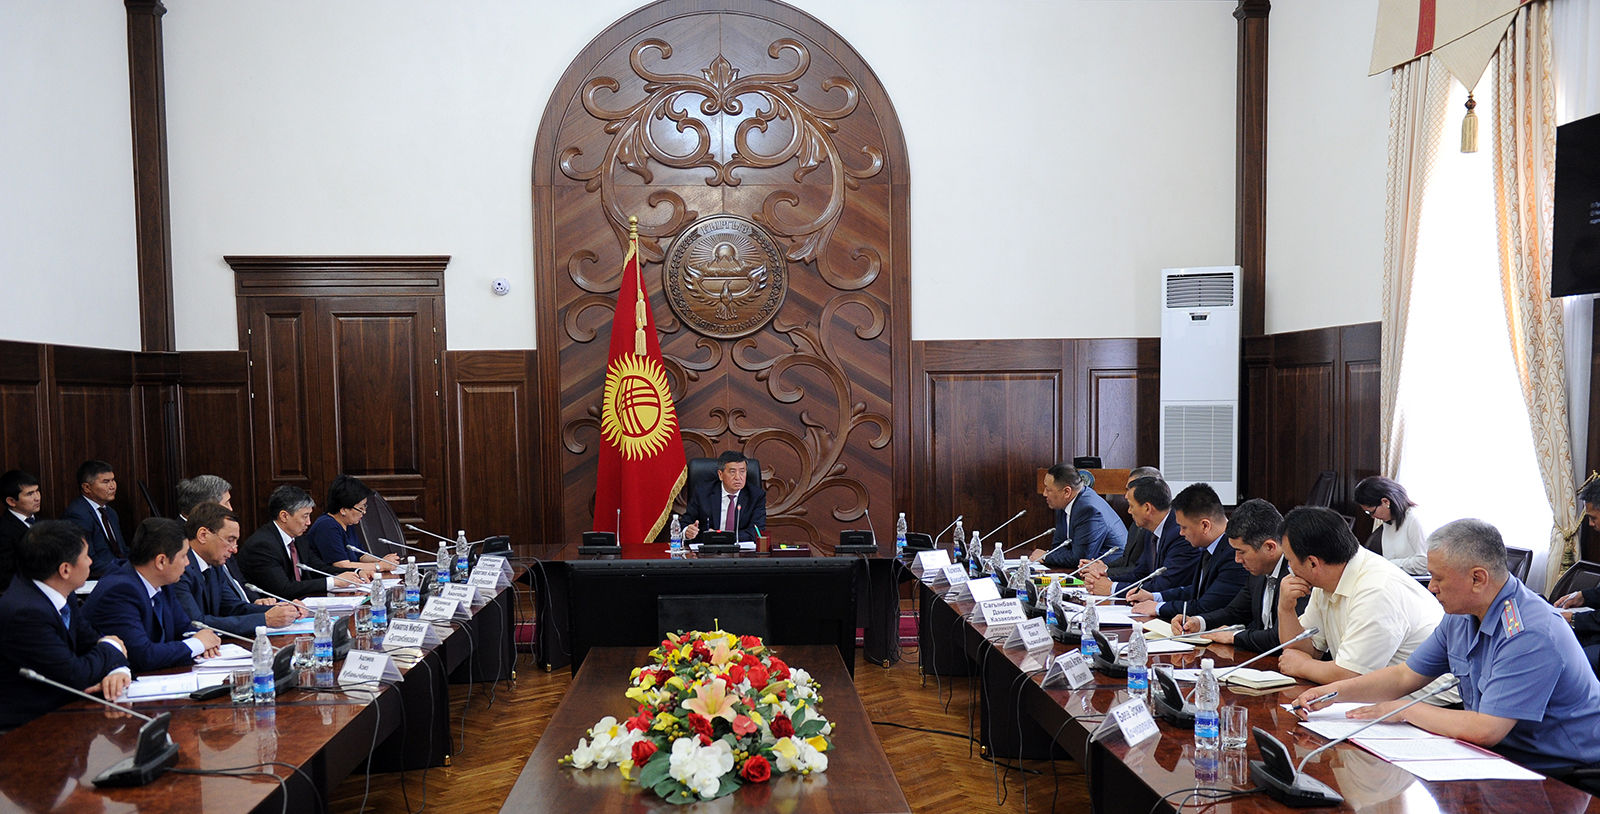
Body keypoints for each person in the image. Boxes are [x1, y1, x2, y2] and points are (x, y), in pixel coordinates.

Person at [1291, 519, 1600, 776]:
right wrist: (1332, 694)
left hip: (1561, 771)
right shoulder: (1461, 616)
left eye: (1438, 578)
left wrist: (1404, 709)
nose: (1431, 587)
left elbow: (1486, 729)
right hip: (1495, 756)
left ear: (1477, 579)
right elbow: (1404, 676)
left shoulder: (1530, 632)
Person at [1274, 506, 1456, 702]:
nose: (1289, 568)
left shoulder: (1376, 589)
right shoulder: (1327, 579)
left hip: (1431, 706)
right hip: (1379, 700)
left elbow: (1351, 676)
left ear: (1313, 563)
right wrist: (1285, 609)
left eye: (1290, 561)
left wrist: (1303, 666)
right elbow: (1300, 651)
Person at [0, 521, 132, 731]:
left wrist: (117, 670)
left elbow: (91, 641)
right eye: (86, 556)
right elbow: (76, 675)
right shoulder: (26, 613)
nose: (90, 561)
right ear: (65, 569)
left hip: (65, 714)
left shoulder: (60, 592)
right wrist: (113, 648)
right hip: (27, 728)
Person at [83, 518, 222, 673]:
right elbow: (143, 656)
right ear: (161, 561)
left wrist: (204, 642)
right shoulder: (119, 591)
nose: (187, 563)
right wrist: (197, 644)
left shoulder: (163, 582)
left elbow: (185, 629)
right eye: (183, 556)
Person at [1170, 499, 1306, 652]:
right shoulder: (1257, 572)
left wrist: (1234, 636)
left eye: (1241, 552)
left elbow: (1282, 637)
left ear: (1270, 547)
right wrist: (1198, 622)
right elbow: (1234, 612)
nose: (1237, 559)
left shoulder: (1298, 574)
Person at [174, 502, 300, 638]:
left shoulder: (214, 566)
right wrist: (264, 620)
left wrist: (280, 610)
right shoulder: (179, 569)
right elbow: (196, 624)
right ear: (203, 535)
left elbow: (233, 607)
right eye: (230, 540)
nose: (234, 549)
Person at [1127, 483, 1246, 621]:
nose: (1181, 533)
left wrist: (1158, 608)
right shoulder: (1210, 546)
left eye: (1184, 527)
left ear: (1205, 526)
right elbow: (1196, 590)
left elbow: (1206, 606)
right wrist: (1154, 597)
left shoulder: (1235, 554)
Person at [237, 485, 364, 600]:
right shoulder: (262, 545)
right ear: (284, 516)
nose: (309, 522)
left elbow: (320, 569)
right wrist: (333, 582)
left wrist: (356, 573)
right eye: (305, 516)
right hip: (274, 609)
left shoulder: (298, 539)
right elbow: (284, 589)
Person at [1083, 475, 1200, 597]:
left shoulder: (1180, 534)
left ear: (1147, 508)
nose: (1129, 511)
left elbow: (1164, 585)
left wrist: (1112, 588)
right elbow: (1140, 574)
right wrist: (1104, 578)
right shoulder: (1150, 531)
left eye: (1131, 506)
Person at [1030, 464, 1125, 568]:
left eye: (1048, 489)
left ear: (1066, 492)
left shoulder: (1089, 510)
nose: (1044, 494)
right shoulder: (1064, 504)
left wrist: (1045, 556)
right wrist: (1054, 556)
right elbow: (1058, 546)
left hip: (1111, 570)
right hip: (1085, 569)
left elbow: (1080, 558)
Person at [303, 474, 396, 575]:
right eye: (360, 508)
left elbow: (360, 555)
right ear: (343, 510)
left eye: (365, 507)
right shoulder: (327, 526)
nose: (364, 512)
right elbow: (342, 565)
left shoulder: (347, 523)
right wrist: (379, 566)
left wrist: (383, 560)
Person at [1085, 466, 1162, 581]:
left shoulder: (1154, 527)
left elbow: (1140, 572)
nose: (1126, 495)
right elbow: (1126, 559)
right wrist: (1103, 566)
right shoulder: (1136, 522)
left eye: (1130, 488)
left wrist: (1105, 572)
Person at [682, 451, 767, 542]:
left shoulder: (756, 496)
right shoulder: (702, 493)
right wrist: (687, 532)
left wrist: (721, 537)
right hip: (708, 548)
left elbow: (756, 531)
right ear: (721, 475)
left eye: (742, 471)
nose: (738, 477)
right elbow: (685, 524)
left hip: (741, 548)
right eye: (732, 472)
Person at [60, 460, 126, 577]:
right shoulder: (77, 514)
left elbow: (122, 550)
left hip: (117, 571)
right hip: (99, 577)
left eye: (113, 480)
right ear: (87, 487)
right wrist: (127, 569)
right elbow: (88, 561)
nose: (112, 486)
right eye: (105, 482)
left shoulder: (110, 512)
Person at [1353, 475, 1430, 575]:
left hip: (1415, 580)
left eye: (1372, 512)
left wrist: (1389, 564)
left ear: (1385, 502)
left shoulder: (1415, 519)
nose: (1372, 517)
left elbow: (1425, 562)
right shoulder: (1389, 521)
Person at [0, 469, 43, 594]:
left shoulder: (42, 522)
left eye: (37, 491)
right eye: (30, 494)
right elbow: (5, 575)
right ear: (11, 501)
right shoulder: (3, 530)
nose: (37, 498)